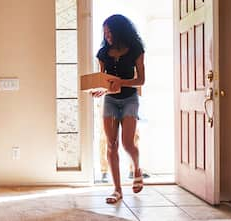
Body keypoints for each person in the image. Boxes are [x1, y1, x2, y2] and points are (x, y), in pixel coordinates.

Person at [92, 14, 145, 204]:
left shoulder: (136, 49)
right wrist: (98, 89)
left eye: (110, 32)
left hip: (130, 98)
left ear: (120, 30)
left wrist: (120, 82)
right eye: (104, 32)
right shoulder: (103, 53)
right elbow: (102, 79)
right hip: (110, 101)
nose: (107, 36)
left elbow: (141, 80)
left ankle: (137, 168)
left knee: (127, 143)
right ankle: (117, 190)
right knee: (111, 144)